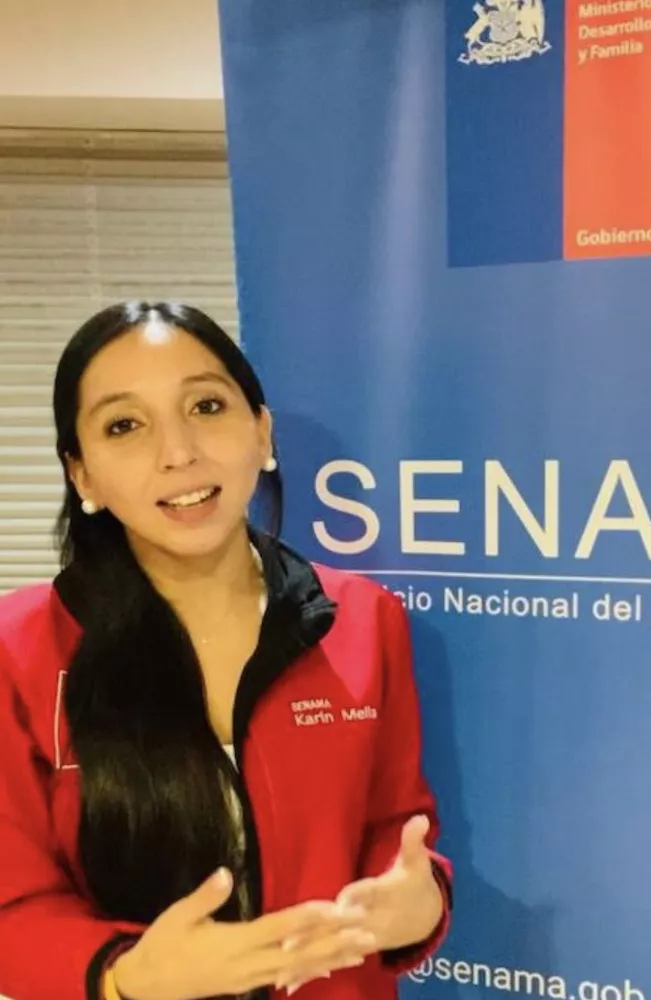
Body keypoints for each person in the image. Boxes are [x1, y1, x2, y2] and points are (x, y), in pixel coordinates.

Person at [0, 302, 452, 1000]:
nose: (178, 453)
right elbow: (12, 906)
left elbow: (396, 827)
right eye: (124, 425)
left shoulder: (363, 617)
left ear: (261, 431)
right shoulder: (18, 648)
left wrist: (418, 903)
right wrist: (127, 974)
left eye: (206, 406)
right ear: (81, 474)